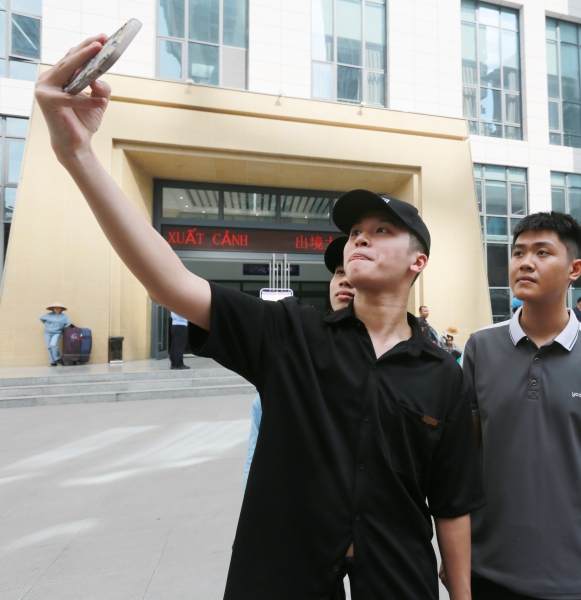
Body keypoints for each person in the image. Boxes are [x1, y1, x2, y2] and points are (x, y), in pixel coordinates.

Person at [34, 45, 484, 599]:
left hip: (397, 579)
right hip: (284, 575)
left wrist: (461, 594)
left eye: (382, 231)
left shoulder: (443, 375)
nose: (360, 239)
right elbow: (170, 282)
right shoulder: (291, 333)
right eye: (355, 233)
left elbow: (452, 502)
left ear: (419, 262)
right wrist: (77, 154)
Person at [462, 212, 581, 600]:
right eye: (518, 252)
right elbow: (464, 458)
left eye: (542, 252)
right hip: (487, 569)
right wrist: (456, 556)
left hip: (576, 575)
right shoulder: (480, 347)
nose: (525, 262)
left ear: (574, 269)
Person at [243, 236, 354, 492]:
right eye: (339, 272)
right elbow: (256, 455)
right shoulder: (295, 350)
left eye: (354, 272)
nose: (344, 279)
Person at [40, 302, 70, 366]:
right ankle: (52, 362)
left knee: (53, 345)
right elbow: (41, 318)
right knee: (49, 347)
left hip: (57, 332)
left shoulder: (64, 316)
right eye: (55, 308)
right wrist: (47, 324)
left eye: (58, 308)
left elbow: (68, 323)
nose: (57, 309)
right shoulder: (48, 315)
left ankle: (58, 358)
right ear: (53, 309)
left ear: (61, 309)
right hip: (47, 333)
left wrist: (74, 328)